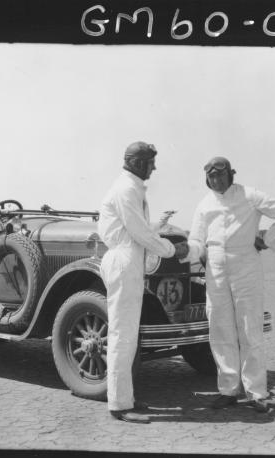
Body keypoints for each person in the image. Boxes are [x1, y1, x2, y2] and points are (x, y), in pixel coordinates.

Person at [184, 156, 275, 413]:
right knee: (220, 330)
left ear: (231, 175)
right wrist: (186, 251)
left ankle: (257, 393)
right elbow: (196, 240)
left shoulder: (249, 195)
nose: (217, 180)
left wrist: (267, 239)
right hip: (215, 270)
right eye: (212, 176)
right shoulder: (204, 204)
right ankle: (228, 390)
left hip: (246, 266)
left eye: (221, 175)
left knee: (250, 329)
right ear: (206, 179)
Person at [98, 141, 189, 424]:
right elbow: (138, 233)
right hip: (124, 262)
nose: (154, 167)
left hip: (130, 261)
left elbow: (137, 229)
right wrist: (173, 250)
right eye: (151, 162)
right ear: (138, 163)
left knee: (127, 336)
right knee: (122, 336)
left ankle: (125, 398)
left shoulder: (131, 188)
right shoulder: (126, 189)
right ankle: (119, 405)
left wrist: (158, 227)